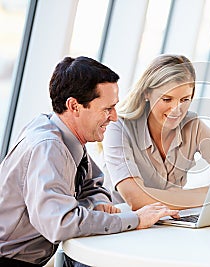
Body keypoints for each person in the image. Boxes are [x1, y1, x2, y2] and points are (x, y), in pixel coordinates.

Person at [0, 56, 178, 267]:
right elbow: (62, 223)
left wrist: (97, 204)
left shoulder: (66, 137)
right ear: (74, 106)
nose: (113, 117)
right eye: (106, 109)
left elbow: (95, 186)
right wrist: (136, 220)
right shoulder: (47, 147)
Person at [102, 54, 210, 211]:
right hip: (123, 225)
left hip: (170, 224)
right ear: (147, 93)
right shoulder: (118, 127)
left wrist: (173, 198)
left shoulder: (192, 126)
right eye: (167, 99)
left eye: (185, 100)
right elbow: (135, 199)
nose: (176, 110)